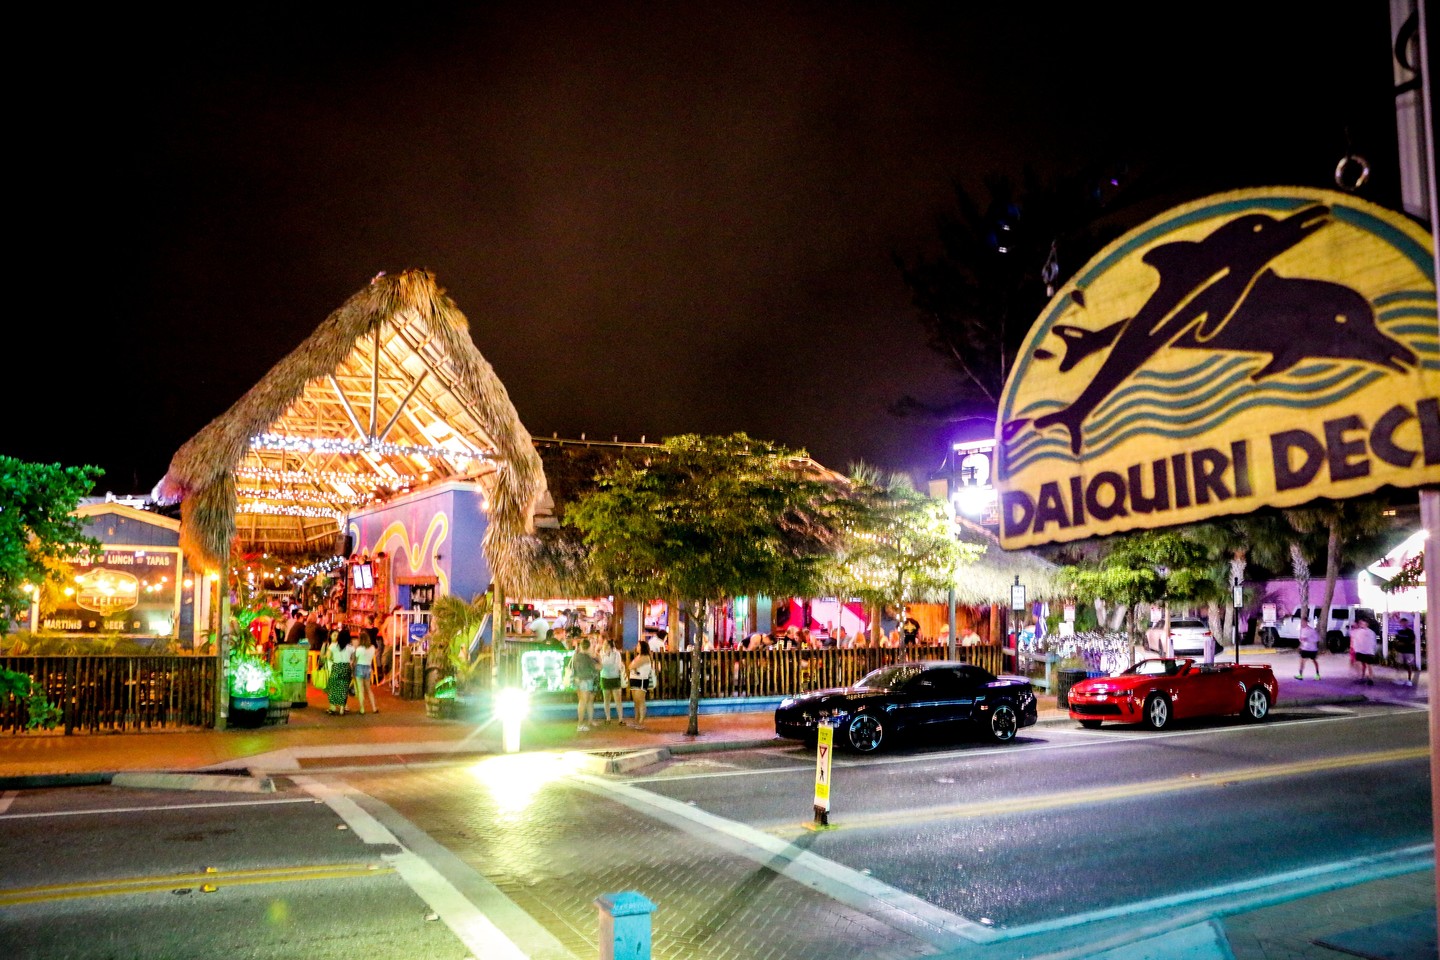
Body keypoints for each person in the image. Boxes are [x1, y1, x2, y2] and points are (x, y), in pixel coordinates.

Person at [568, 637, 600, 731]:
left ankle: (581, 723)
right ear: (588, 647)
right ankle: (580, 724)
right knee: (583, 702)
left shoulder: (576, 656)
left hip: (578, 680)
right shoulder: (586, 657)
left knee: (581, 702)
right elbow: (596, 667)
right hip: (586, 680)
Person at [325, 627, 355, 715]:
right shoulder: (350, 647)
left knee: (333, 687)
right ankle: (342, 708)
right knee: (344, 688)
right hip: (346, 668)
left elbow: (328, 656)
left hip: (337, 667)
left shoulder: (333, 646)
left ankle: (333, 707)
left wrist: (333, 659)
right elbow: (353, 659)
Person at [626, 640, 654, 728]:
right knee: (636, 701)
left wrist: (632, 666)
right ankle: (636, 719)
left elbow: (631, 666)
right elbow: (631, 666)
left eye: (638, 646)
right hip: (635, 679)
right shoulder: (638, 656)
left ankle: (641, 721)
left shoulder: (645, 657)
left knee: (640, 701)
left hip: (641, 680)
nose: (636, 647)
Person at [597, 637, 625, 722]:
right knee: (606, 699)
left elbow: (617, 665)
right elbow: (601, 665)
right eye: (603, 644)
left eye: (605, 644)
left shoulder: (616, 653)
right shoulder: (601, 653)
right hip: (605, 677)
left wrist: (604, 665)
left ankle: (620, 718)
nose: (603, 645)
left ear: (610, 645)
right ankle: (608, 718)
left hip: (614, 677)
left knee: (618, 699)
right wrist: (606, 665)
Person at [352, 630, 378, 714]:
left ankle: (362, 709)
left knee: (361, 690)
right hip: (368, 668)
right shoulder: (372, 648)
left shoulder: (359, 649)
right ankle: (374, 707)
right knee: (369, 689)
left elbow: (355, 661)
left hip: (359, 667)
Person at [1350, 617, 1378, 685]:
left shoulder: (1371, 632)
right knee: (1359, 664)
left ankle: (1370, 679)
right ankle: (1361, 677)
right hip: (1360, 651)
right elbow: (1354, 639)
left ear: (1367, 624)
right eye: (1360, 623)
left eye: (1362, 623)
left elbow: (1373, 642)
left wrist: (1372, 650)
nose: (1361, 624)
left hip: (1368, 651)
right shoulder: (1358, 631)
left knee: (1369, 665)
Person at [1391, 617, 1418, 687]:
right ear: (1400, 623)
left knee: (1409, 665)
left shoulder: (1410, 632)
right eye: (1402, 623)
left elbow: (1414, 641)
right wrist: (1397, 644)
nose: (1403, 624)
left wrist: (1405, 643)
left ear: (1407, 623)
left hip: (1408, 651)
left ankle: (1409, 680)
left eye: (1405, 623)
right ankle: (1399, 678)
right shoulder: (1399, 632)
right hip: (1400, 651)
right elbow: (1396, 640)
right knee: (1399, 664)